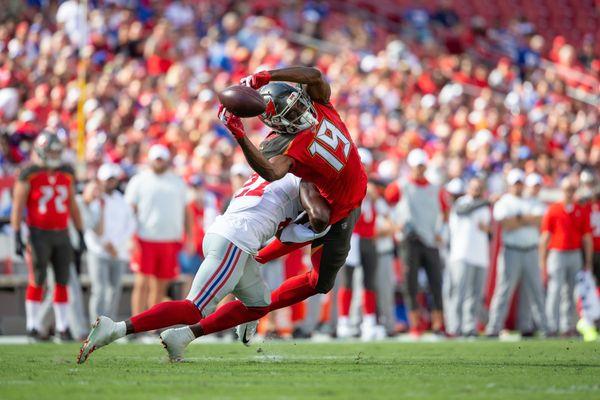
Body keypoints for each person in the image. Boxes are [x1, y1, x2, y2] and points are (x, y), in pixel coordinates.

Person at [176, 66, 367, 343]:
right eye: (290, 114)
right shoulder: (286, 142)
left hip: (342, 198)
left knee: (320, 282)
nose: (300, 113)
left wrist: (268, 75)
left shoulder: (319, 104)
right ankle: (231, 315)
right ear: (278, 125)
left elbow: (313, 75)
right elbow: (272, 172)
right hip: (332, 203)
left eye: (298, 105)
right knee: (318, 223)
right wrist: (240, 136)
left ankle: (250, 306)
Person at [77, 174, 330, 363]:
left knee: (259, 304)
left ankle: (181, 338)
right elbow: (296, 231)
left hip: (227, 236)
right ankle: (116, 329)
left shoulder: (270, 176)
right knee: (192, 309)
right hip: (235, 241)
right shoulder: (301, 182)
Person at [10, 131, 85, 340]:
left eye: (56, 151)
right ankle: (32, 325)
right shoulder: (29, 173)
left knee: (62, 281)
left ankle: (63, 327)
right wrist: (17, 233)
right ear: (41, 150)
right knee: (38, 279)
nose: (54, 155)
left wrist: (80, 232)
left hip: (61, 233)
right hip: (38, 234)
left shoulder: (67, 173)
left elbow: (72, 205)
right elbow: (18, 206)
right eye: (50, 150)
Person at [124, 144, 193, 316]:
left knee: (160, 286)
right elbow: (129, 212)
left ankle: (150, 325)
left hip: (170, 239)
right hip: (144, 238)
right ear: (150, 160)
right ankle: (135, 322)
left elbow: (186, 212)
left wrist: (190, 237)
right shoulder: (139, 180)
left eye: (162, 159)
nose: (159, 162)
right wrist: (128, 237)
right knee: (142, 283)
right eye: (157, 159)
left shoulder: (177, 182)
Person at [385, 148, 446, 335]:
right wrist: (394, 226)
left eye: (422, 166)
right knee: (409, 284)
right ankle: (415, 325)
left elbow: (446, 212)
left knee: (436, 283)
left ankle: (438, 325)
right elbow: (385, 205)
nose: (419, 170)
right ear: (411, 167)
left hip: (430, 241)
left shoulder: (435, 188)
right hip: (409, 241)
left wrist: (440, 231)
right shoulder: (400, 186)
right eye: (416, 166)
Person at [486, 169, 547, 337]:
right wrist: (526, 219)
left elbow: (539, 220)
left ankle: (535, 327)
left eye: (520, 183)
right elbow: (506, 224)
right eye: (515, 183)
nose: (518, 186)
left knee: (534, 290)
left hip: (530, 250)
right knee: (504, 290)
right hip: (511, 251)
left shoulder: (530, 201)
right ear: (510, 185)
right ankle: (494, 327)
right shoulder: (505, 201)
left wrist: (518, 219)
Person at [83, 163, 136, 322]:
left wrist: (116, 245)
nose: (110, 183)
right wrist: (105, 245)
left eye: (112, 179)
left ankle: (109, 325)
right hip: (98, 252)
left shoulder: (122, 200)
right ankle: (96, 324)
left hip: (117, 252)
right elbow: (90, 229)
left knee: (114, 291)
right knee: (99, 290)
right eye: (107, 180)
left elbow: (130, 225)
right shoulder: (94, 200)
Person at [540, 178, 593, 336]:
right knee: (555, 290)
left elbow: (586, 237)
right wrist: (542, 260)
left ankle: (567, 326)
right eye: (566, 189)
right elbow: (545, 236)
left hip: (575, 253)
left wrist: (588, 261)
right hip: (557, 253)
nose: (569, 193)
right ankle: (550, 326)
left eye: (571, 189)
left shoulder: (580, 209)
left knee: (571, 292)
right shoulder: (554, 209)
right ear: (561, 191)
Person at [447, 177, 491, 336]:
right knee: (459, 292)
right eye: (474, 187)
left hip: (480, 255)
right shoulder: (462, 202)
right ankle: (454, 327)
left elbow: (487, 229)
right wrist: (487, 202)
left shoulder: (484, 207)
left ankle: (469, 327)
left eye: (479, 187)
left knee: (475, 295)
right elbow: (463, 211)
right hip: (462, 254)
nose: (476, 190)